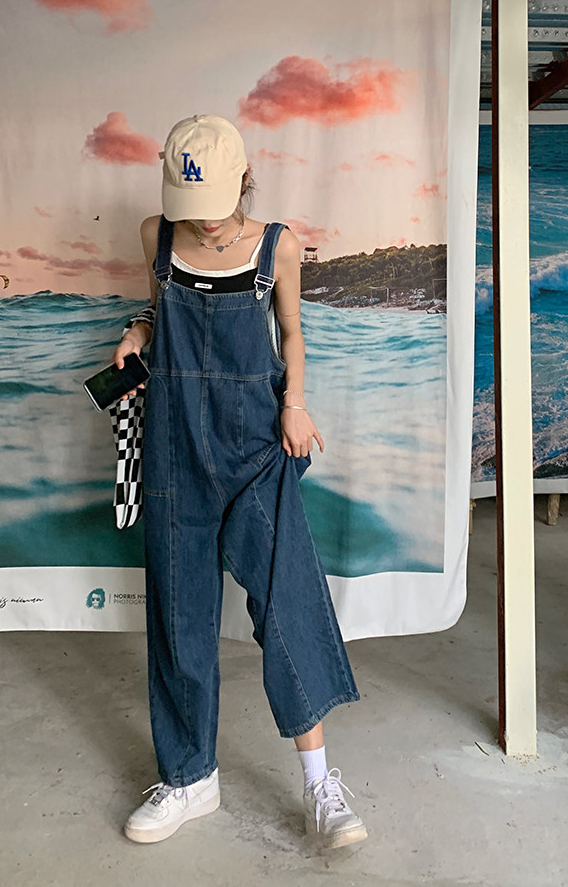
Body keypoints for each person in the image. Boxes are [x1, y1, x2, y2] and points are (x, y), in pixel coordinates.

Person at [112, 114, 366, 850]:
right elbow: (160, 314)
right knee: (179, 615)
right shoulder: (155, 237)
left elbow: (292, 332)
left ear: (244, 181)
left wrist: (295, 403)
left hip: (256, 444)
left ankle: (320, 785)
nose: (201, 220)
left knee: (286, 600)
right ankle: (189, 776)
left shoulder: (277, 244)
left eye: (215, 202)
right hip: (175, 448)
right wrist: (137, 332)